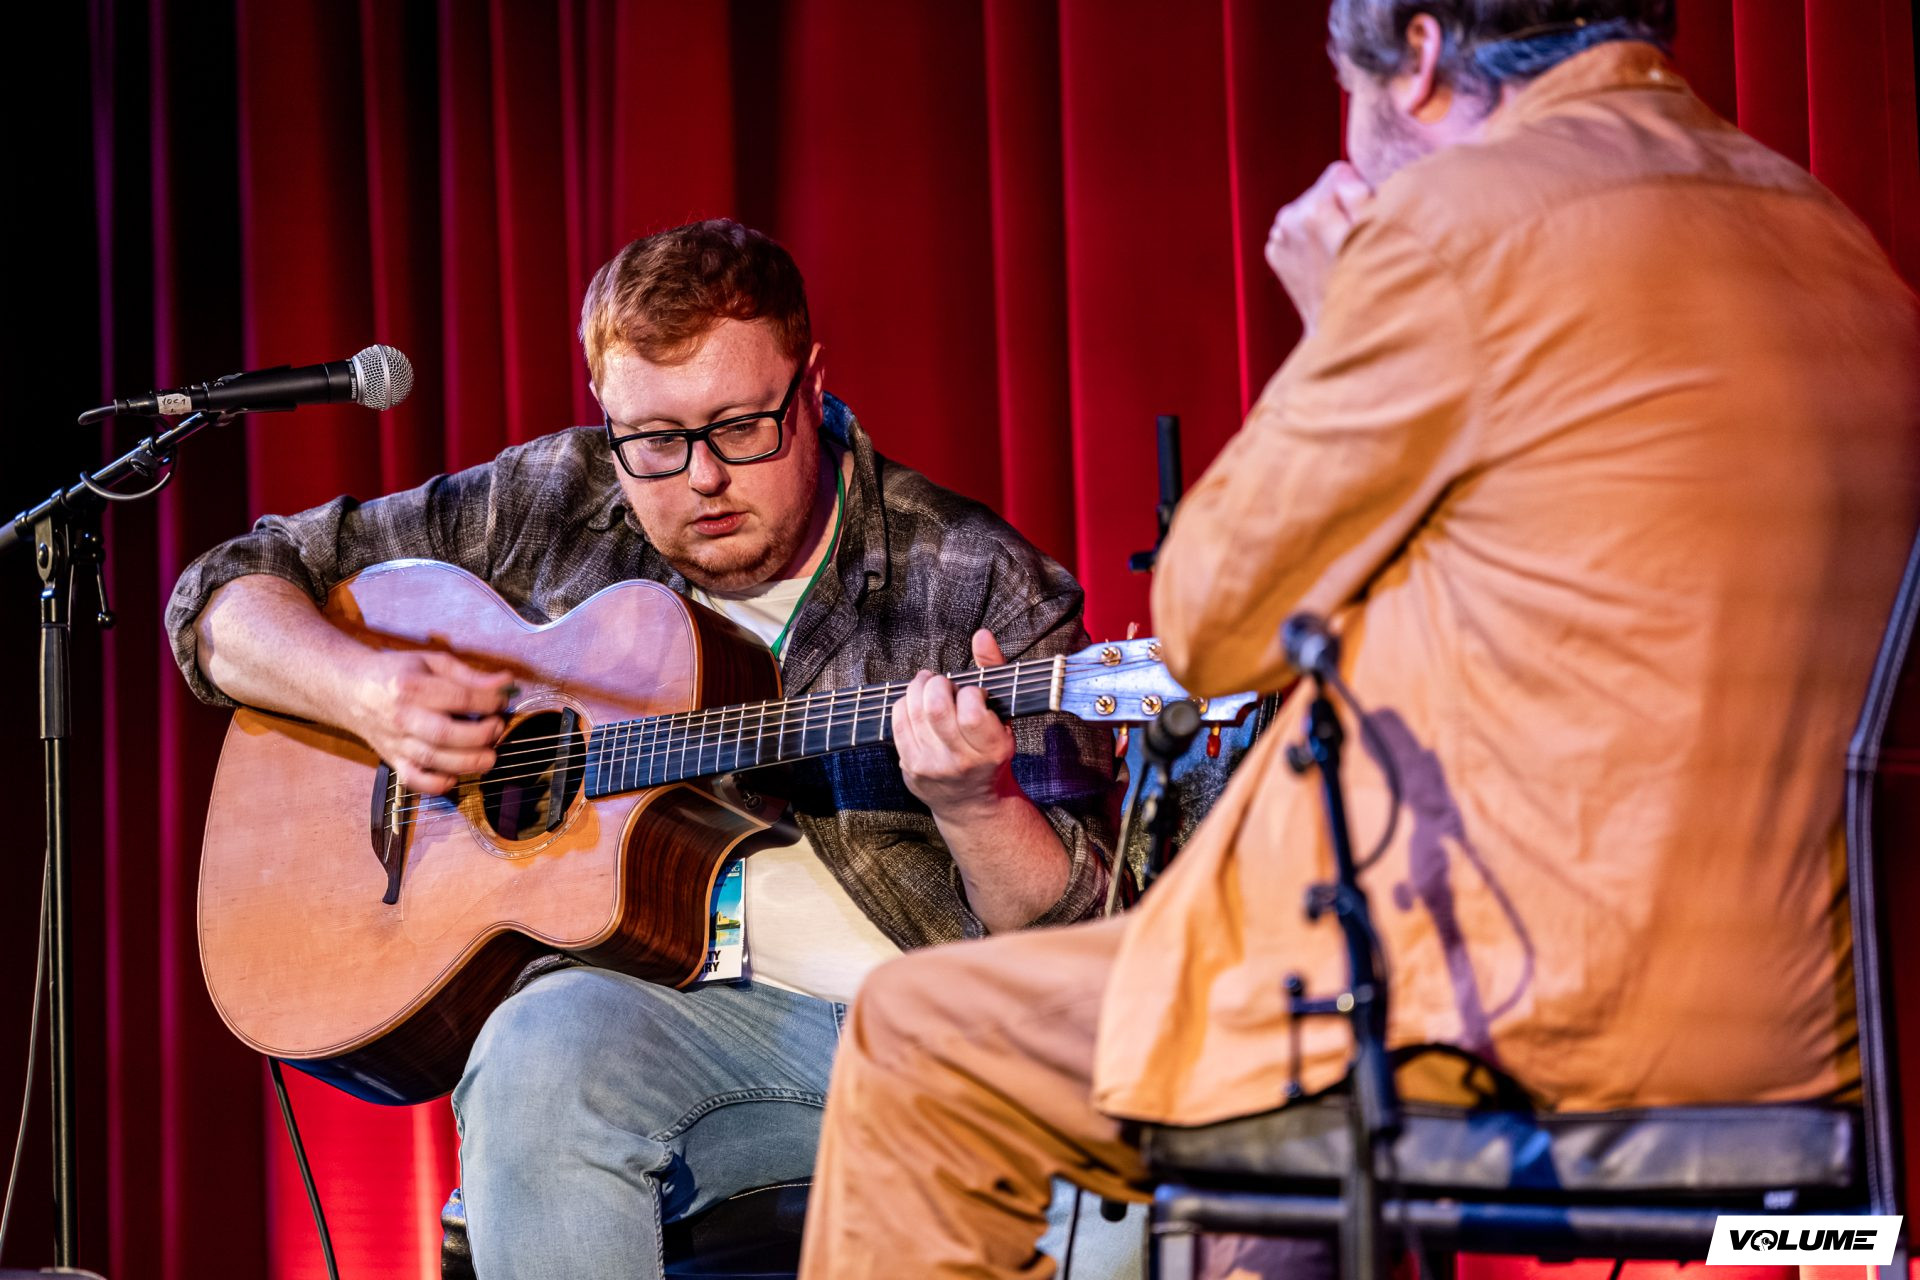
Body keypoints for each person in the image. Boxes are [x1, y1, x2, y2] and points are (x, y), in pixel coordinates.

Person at [797, 2, 1920, 1276]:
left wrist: (1344, 315)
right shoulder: (1834, 240)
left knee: (919, 1033)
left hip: (1530, 1022)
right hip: (1828, 1041)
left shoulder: (1458, 226)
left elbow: (1210, 626)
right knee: (1273, 1213)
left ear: (1421, 59)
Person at [164, 219, 1120, 1278]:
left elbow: (1082, 944)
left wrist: (981, 804)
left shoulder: (976, 581)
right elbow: (223, 592)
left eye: (741, 427)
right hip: (647, 1028)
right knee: (538, 1049)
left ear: (811, 387)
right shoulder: (557, 499)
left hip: (914, 1045)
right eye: (655, 441)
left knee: (1117, 1203)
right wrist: (367, 691)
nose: (702, 477)